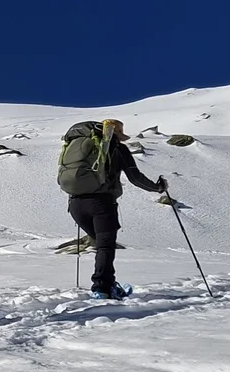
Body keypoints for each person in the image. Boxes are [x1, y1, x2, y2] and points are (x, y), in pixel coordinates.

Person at [64, 119, 166, 299]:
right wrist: (158, 188)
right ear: (116, 134)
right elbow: (135, 178)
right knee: (105, 247)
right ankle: (102, 288)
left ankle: (107, 284)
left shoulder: (78, 147)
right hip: (102, 204)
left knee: (100, 244)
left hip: (75, 204)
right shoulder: (118, 149)